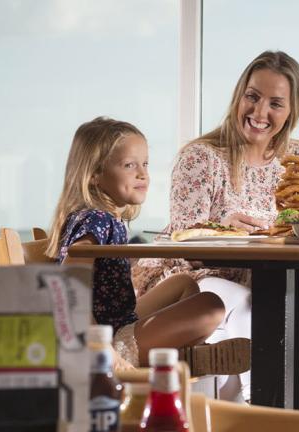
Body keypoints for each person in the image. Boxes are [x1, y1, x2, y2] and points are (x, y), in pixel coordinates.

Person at [132, 50, 299, 401]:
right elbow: (186, 242)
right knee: (248, 305)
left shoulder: (295, 157)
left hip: (261, 280)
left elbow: (295, 221)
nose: (260, 113)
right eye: (253, 97)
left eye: (276, 103)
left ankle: (273, 409)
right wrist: (221, 227)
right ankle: (260, 403)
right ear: (238, 96)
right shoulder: (203, 156)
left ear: (291, 111)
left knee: (296, 304)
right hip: (187, 282)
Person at [46, 117, 227, 370]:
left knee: (183, 283)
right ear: (95, 175)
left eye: (145, 164)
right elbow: (70, 290)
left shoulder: (104, 218)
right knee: (211, 305)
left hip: (118, 321)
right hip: (104, 340)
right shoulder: (97, 220)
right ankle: (166, 354)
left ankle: (174, 347)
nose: (143, 174)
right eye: (129, 165)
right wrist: (104, 352)